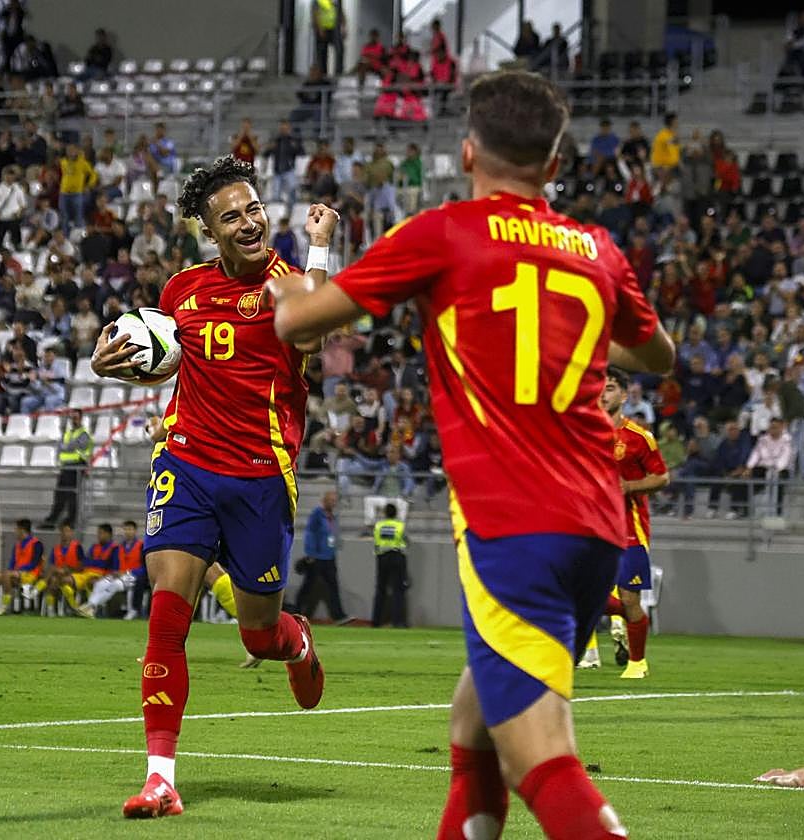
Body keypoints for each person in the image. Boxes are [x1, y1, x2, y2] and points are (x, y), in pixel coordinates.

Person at [268, 69, 673, 840]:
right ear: (555, 166)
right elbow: (659, 355)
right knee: (472, 722)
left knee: (541, 762)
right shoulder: (597, 249)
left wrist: (299, 270)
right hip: (598, 528)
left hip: (515, 526)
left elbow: (298, 326)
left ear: (465, 152)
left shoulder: (444, 233)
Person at [90, 155, 337, 819]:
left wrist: (320, 246)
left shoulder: (288, 283)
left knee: (258, 635)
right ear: (211, 232)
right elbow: (166, 362)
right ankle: (160, 779)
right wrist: (110, 363)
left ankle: (294, 639)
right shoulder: (180, 292)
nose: (250, 221)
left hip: (261, 476)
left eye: (254, 208)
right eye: (232, 216)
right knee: (167, 615)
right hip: (186, 464)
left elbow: (312, 326)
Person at [589, 368, 669, 679]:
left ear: (623, 395)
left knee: (629, 597)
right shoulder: (583, 435)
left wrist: (630, 487)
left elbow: (662, 477)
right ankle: (629, 622)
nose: (602, 394)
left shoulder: (638, 437)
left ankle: (638, 662)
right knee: (582, 595)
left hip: (629, 529)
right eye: (598, 388)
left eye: (609, 388)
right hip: (591, 529)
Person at [296, 490, 348, 623]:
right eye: (331, 500)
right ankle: (296, 612)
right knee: (307, 587)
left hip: (329, 556)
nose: (333, 503)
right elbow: (310, 533)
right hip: (317, 557)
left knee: (333, 587)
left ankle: (339, 616)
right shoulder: (317, 514)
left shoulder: (333, 516)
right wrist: (310, 553)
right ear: (324, 501)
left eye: (335, 500)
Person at [80, 520, 144, 617]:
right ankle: (89, 608)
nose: (127, 532)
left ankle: (91, 606)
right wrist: (115, 572)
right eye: (126, 529)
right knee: (100, 584)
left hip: (133, 576)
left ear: (135, 531)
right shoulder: (119, 547)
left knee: (116, 585)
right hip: (119, 575)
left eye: (130, 529)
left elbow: (144, 567)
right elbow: (115, 565)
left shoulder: (141, 546)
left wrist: (127, 572)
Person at [42, 410, 92, 528]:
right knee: (60, 494)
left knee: (72, 495)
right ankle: (53, 519)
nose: (73, 420)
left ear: (81, 419)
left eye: (75, 418)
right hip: (65, 467)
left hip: (76, 467)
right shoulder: (68, 433)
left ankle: (70, 521)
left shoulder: (84, 433)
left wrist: (66, 447)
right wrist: (67, 447)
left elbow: (71, 447)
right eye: (72, 418)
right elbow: (61, 447)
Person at [0, 518, 42, 615]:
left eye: (16, 529)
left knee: (6, 574)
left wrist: (18, 570)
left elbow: (34, 563)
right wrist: (11, 571)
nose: (15, 531)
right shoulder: (17, 545)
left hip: (30, 574)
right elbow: (12, 563)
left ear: (22, 530)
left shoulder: (37, 544)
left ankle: (4, 606)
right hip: (14, 574)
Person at [371, 502, 409, 628]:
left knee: (380, 590)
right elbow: (406, 541)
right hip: (397, 557)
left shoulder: (379, 525)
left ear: (385, 513)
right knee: (398, 590)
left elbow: (376, 542)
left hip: (382, 558)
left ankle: (376, 621)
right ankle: (398, 621)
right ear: (396, 513)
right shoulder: (400, 526)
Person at [36, 521, 85, 616]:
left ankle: (39, 588)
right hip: (58, 575)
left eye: (67, 531)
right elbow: (51, 565)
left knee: (54, 576)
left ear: (71, 533)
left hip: (72, 574)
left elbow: (81, 567)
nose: (64, 534)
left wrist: (68, 569)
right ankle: (53, 609)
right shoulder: (56, 548)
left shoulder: (77, 547)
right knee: (54, 578)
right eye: (62, 531)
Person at [312, 0, 344, 75]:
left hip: (334, 29)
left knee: (339, 49)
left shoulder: (335, 1)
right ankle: (322, 72)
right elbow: (315, 14)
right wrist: (319, 28)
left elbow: (341, 13)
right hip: (323, 28)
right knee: (322, 51)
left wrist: (343, 26)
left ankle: (338, 71)